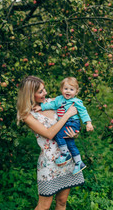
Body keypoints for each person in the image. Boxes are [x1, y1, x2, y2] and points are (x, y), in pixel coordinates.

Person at [17, 76, 85, 210]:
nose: (46, 93)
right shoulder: (28, 115)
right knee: (44, 206)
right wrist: (67, 114)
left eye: (44, 89)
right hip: (49, 163)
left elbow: (74, 118)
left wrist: (75, 133)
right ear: (31, 94)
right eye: (41, 91)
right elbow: (49, 134)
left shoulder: (54, 102)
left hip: (68, 158)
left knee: (62, 201)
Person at [33, 77, 94, 175]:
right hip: (65, 123)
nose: (68, 91)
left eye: (71, 89)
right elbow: (51, 105)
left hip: (72, 122)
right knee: (70, 143)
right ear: (61, 89)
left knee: (58, 134)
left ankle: (65, 154)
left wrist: (88, 123)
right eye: (66, 89)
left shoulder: (76, 101)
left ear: (76, 92)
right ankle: (79, 162)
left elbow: (83, 112)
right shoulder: (58, 99)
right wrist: (41, 107)